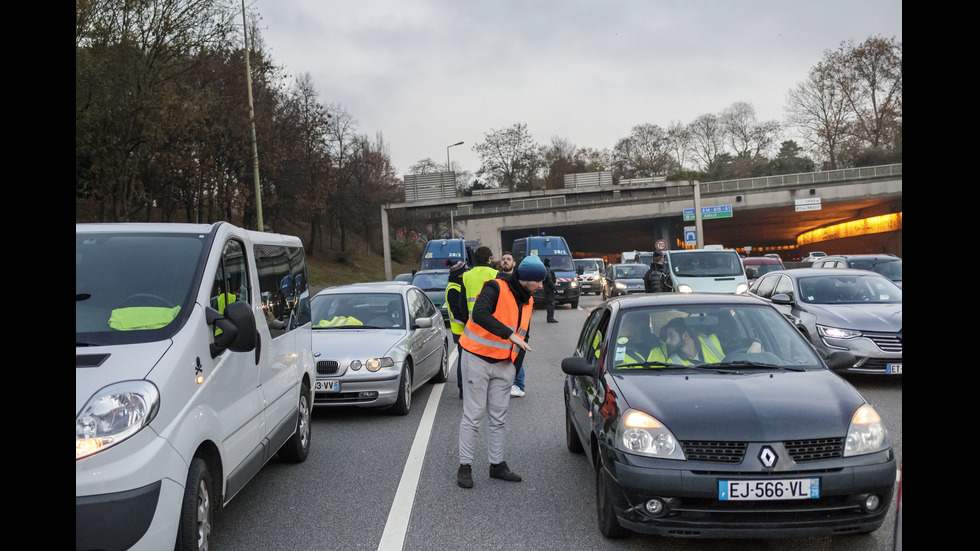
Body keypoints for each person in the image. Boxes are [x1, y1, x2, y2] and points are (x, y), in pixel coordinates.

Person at [456, 255, 546, 489]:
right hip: (477, 358)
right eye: (538, 281)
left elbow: (524, 335)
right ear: (526, 279)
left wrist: (514, 369)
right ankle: (464, 467)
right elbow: (480, 314)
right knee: (473, 415)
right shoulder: (496, 286)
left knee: (498, 418)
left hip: (504, 365)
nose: (541, 286)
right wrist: (508, 334)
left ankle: (496, 465)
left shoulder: (528, 300)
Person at [458, 246, 498, 398]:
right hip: (492, 323)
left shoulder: (467, 276)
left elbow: (462, 303)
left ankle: (469, 390)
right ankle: (490, 390)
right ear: (489, 259)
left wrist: (467, 320)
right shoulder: (495, 274)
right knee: (491, 359)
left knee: (472, 360)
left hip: (472, 324)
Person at [497, 251, 526, 397]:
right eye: (503, 259)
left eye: (509, 259)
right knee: (505, 356)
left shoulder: (518, 281)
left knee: (516, 354)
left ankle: (519, 385)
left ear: (514, 263)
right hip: (502, 324)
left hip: (516, 324)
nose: (506, 261)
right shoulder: (498, 280)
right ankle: (507, 384)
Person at [445, 260, 468, 399]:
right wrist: (471, 322)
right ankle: (462, 388)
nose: (467, 272)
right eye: (465, 271)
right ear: (460, 274)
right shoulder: (453, 289)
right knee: (463, 360)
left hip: (464, 330)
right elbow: (457, 312)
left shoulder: (458, 286)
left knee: (466, 360)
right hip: (461, 331)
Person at [543, 258, 557, 323]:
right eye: (549, 262)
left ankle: (549, 318)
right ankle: (550, 318)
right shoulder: (548, 270)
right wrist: (554, 288)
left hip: (545, 288)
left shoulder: (543, 269)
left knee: (549, 303)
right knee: (551, 303)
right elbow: (549, 280)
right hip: (549, 289)